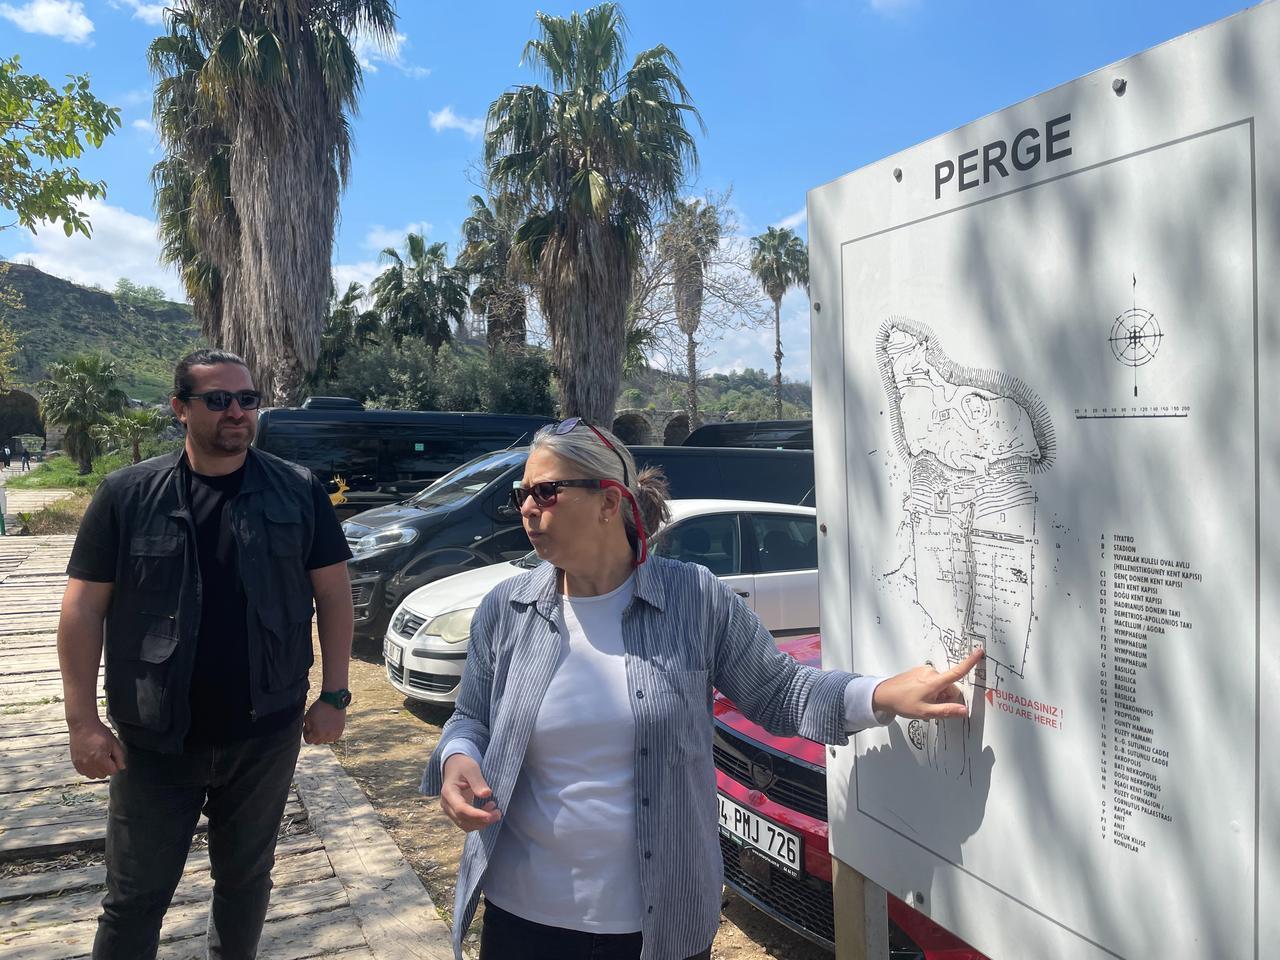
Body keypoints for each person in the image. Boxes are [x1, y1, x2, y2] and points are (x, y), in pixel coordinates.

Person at [421, 419, 985, 960]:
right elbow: (469, 718)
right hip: (524, 918)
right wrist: (457, 758)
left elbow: (780, 692)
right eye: (523, 492)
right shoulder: (507, 609)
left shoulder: (693, 597)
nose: (525, 507)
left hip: (659, 925)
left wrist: (879, 695)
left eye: (545, 491)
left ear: (609, 501)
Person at [56, 348, 355, 960]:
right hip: (155, 739)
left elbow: (334, 596)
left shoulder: (297, 492)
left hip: (264, 734)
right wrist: (82, 720)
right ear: (180, 408)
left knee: (246, 884)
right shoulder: (126, 495)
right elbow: (82, 609)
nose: (237, 412)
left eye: (247, 399)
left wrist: (333, 693)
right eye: (218, 400)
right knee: (135, 895)